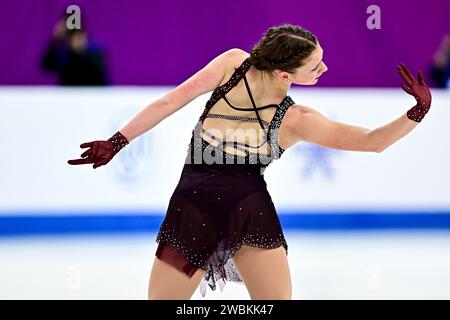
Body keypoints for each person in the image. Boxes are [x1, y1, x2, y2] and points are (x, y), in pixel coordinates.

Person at [67, 24, 432, 300]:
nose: (324, 68)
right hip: (211, 209)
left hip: (225, 208)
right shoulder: (283, 107)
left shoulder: (252, 81)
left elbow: (370, 142)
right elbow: (373, 142)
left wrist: (118, 141)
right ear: (285, 74)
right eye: (315, 65)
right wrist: (417, 112)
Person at [41, 19, 109, 85]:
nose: (78, 40)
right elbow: (46, 66)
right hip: (67, 94)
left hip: (93, 94)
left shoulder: (96, 51)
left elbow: (98, 71)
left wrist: (80, 52)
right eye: (74, 36)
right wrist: (55, 40)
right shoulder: (63, 54)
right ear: (68, 39)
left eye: (80, 35)